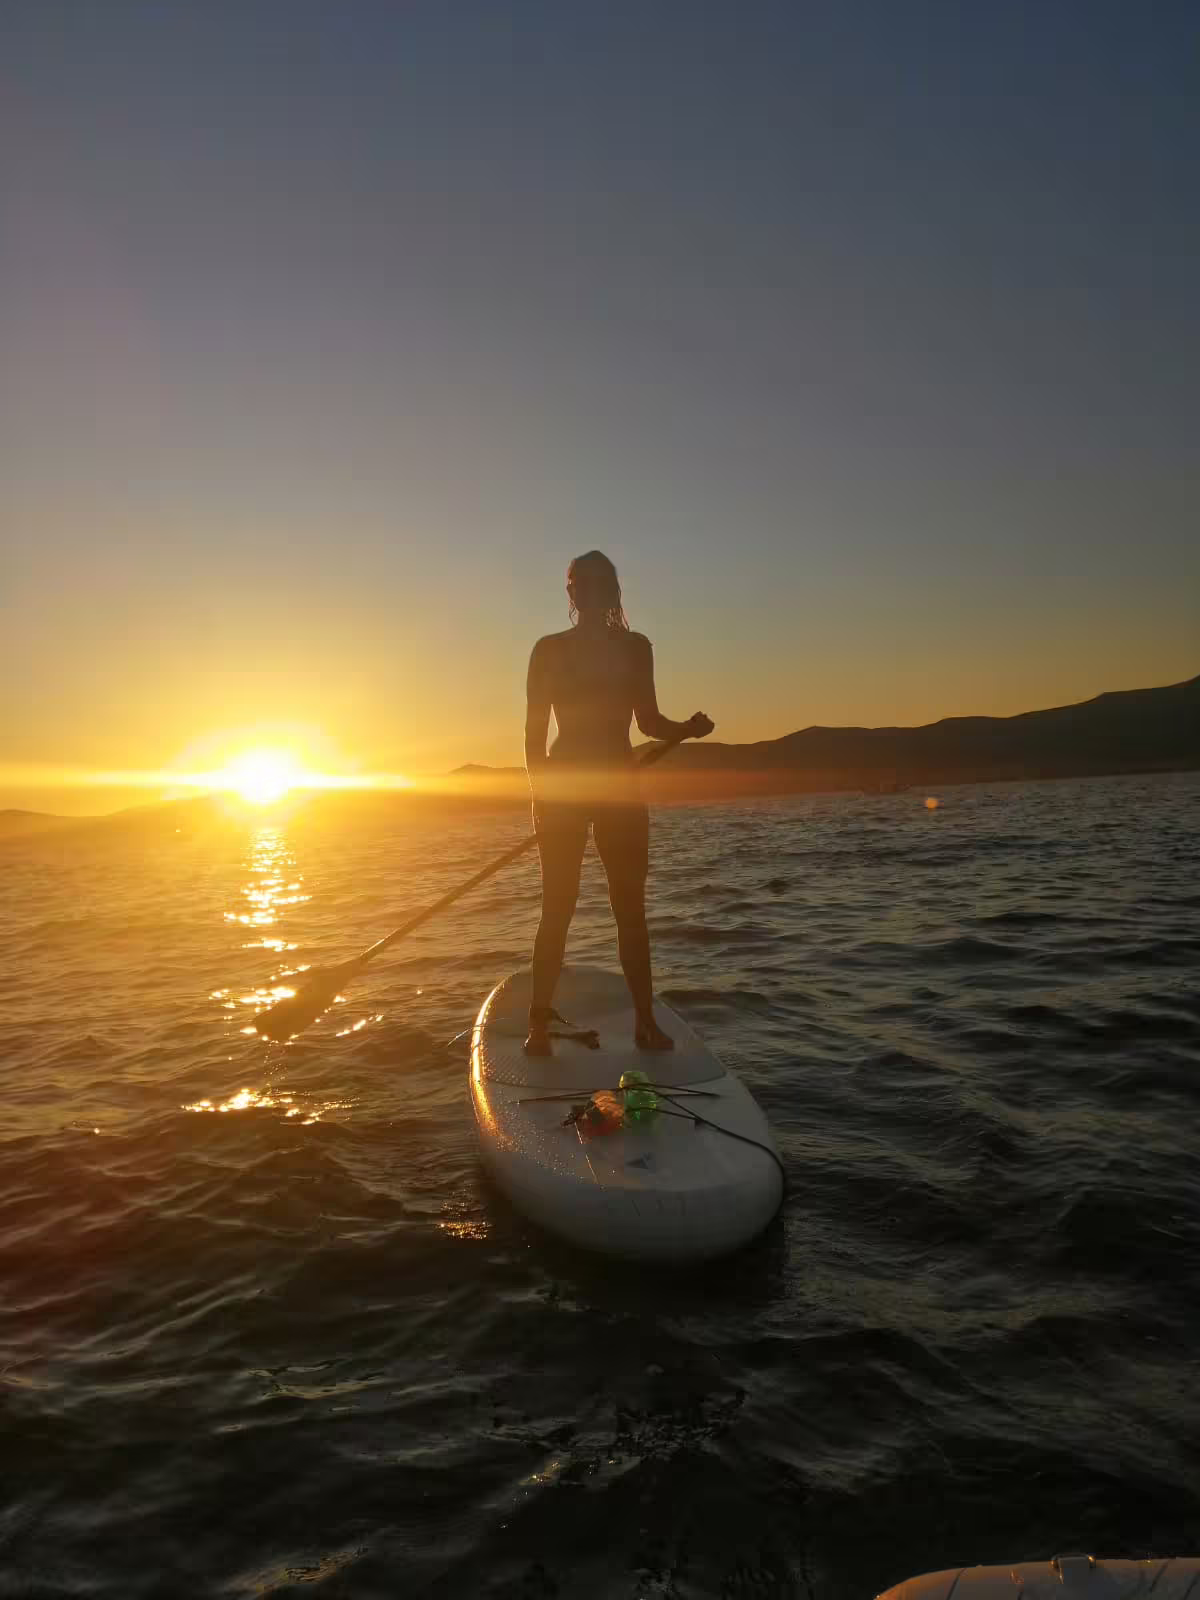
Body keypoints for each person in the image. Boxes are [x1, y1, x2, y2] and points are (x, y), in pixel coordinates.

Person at [524, 551, 713, 1055]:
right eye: (578, 585)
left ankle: (645, 1023)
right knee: (557, 908)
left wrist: (687, 731)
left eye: (597, 583)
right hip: (565, 788)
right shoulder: (547, 650)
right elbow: (533, 737)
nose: (585, 592)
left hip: (619, 786)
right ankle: (538, 1027)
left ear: (611, 592)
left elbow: (649, 722)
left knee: (629, 908)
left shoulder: (635, 648)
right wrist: (541, 797)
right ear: (571, 595)